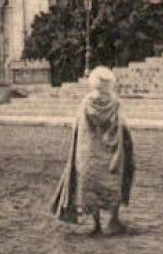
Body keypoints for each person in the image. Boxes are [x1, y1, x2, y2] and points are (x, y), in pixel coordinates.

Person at [52, 66, 136, 236]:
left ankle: (96, 223)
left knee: (92, 186)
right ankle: (114, 219)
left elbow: (78, 128)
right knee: (113, 184)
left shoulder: (86, 103)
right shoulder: (115, 103)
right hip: (112, 152)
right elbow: (124, 127)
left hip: (90, 153)